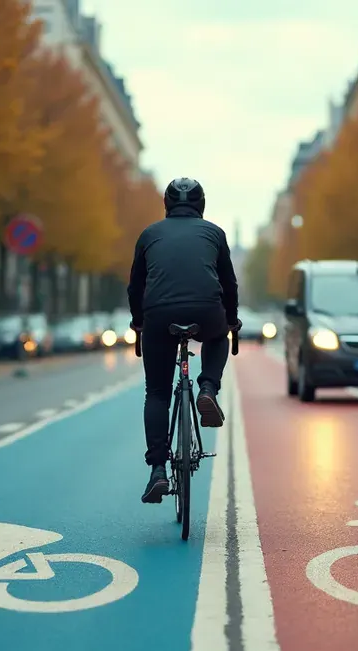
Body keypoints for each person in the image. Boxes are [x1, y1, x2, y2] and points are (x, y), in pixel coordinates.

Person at [127, 178, 240, 504]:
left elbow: (135, 287)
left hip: (159, 316)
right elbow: (229, 284)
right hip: (206, 311)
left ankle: (158, 470)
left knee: (158, 392)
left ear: (167, 204)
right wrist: (230, 320)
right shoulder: (214, 233)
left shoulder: (149, 234)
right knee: (217, 336)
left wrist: (139, 322)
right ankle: (207, 387)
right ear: (201, 205)